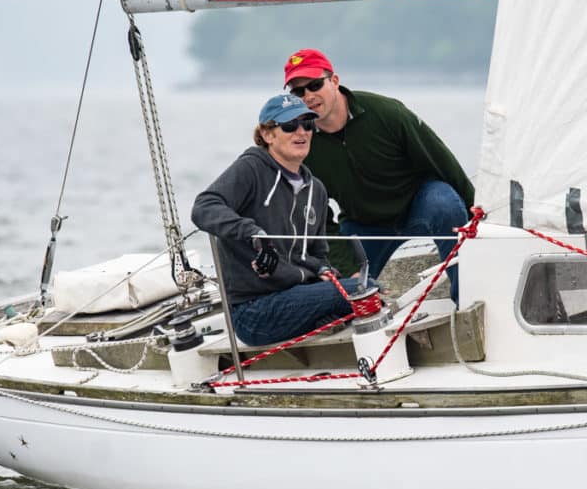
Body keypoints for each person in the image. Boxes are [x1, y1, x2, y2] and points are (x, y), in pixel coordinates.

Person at [283, 48, 474, 302]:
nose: (308, 96)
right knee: (346, 295)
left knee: (445, 205)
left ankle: (467, 300)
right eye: (298, 92)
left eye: (315, 85)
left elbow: (443, 162)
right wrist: (347, 267)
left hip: (419, 205)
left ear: (335, 81)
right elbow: (318, 219)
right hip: (364, 224)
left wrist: (479, 215)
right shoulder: (301, 143)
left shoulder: (387, 113)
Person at [190, 93, 362, 346]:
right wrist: (253, 233)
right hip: (253, 310)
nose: (301, 132)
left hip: (296, 294)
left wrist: (323, 270)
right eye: (290, 125)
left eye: (308, 124)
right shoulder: (251, 169)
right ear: (268, 135)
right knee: (361, 290)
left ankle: (327, 323)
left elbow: (316, 254)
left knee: (367, 287)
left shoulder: (316, 189)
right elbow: (203, 207)